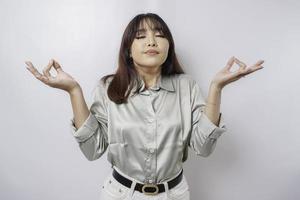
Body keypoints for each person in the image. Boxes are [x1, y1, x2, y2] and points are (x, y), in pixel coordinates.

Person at [25, 13, 264, 200]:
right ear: (128, 50)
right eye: (140, 36)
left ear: (168, 46)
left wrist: (216, 88)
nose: (151, 41)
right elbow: (92, 150)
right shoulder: (108, 87)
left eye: (159, 35)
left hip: (175, 194)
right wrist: (73, 90)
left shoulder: (186, 86)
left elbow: (203, 147)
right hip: (120, 194)